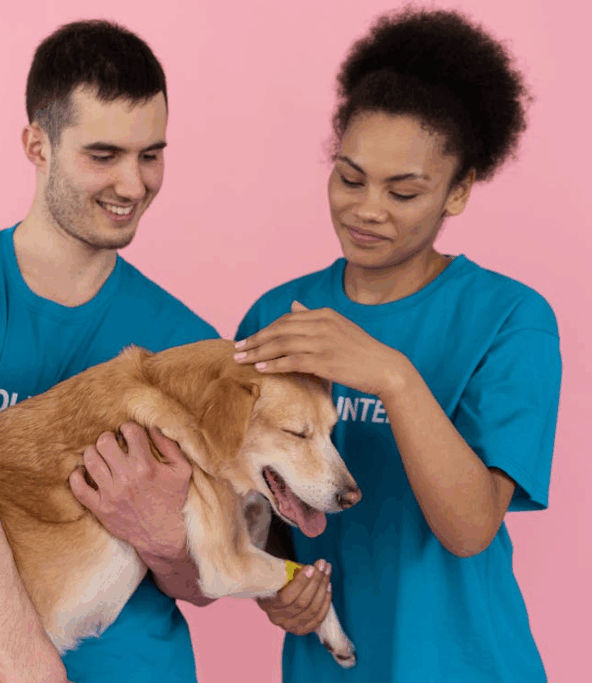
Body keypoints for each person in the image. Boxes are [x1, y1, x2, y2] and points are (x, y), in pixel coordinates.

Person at [0, 20, 217, 683]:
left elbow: (202, 578)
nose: (134, 185)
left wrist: (167, 540)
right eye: (103, 155)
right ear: (38, 145)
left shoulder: (187, 341)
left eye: (151, 154)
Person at [233, 7, 562, 681]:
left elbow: (470, 527)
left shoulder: (511, 319)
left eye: (404, 190)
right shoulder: (277, 314)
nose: (367, 209)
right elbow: (249, 496)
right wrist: (274, 583)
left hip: (466, 663)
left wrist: (391, 374)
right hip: (329, 664)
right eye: (350, 177)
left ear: (460, 189)